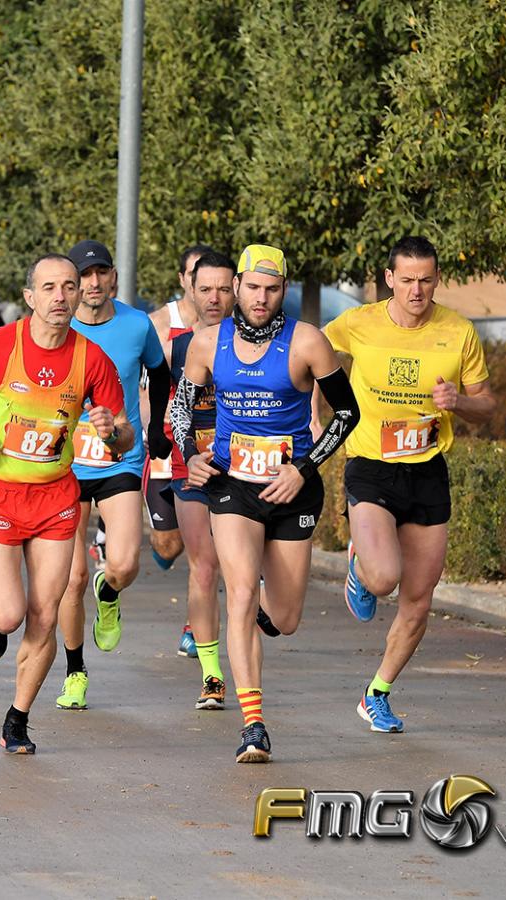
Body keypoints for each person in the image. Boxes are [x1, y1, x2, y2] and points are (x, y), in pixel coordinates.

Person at [175, 244, 359, 762]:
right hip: (232, 485)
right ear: (236, 287)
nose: (261, 298)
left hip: (292, 488)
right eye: (252, 287)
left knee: (284, 616)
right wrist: (190, 454)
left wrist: (303, 468)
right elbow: (182, 406)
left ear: (284, 291)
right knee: (238, 594)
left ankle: (257, 618)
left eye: (272, 289)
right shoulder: (207, 343)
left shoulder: (307, 342)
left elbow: (347, 414)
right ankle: (253, 726)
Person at [0, 253, 130, 753]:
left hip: (55, 498)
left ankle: (18, 717)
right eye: (49, 288)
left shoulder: (92, 359)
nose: (61, 297)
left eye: (69, 287)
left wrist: (114, 433)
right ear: (30, 298)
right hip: (0, 491)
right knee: (9, 615)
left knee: (44, 614)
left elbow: (124, 437)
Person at [324, 236, 495, 733]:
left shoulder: (458, 332)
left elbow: (487, 406)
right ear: (389, 279)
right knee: (384, 580)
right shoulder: (358, 322)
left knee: (419, 598)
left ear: (436, 280)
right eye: (407, 280)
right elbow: (308, 355)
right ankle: (360, 564)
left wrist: (458, 402)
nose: (416, 290)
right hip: (371, 464)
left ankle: (376, 693)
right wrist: (314, 418)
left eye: (426, 279)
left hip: (426, 470)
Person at [53, 239, 171, 711]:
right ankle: (75, 672)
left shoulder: (137, 325)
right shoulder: (58, 328)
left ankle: (111, 590)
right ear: (72, 284)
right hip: (64, 464)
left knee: (122, 564)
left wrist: (158, 430)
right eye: (85, 276)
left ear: (113, 277)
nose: (94, 283)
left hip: (119, 457)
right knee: (71, 577)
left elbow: (161, 377)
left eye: (102, 273)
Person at [157, 248, 228, 662]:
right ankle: (212, 674)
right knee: (200, 564)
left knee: (238, 570)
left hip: (247, 466)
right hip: (191, 465)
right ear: (191, 290)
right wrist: (159, 440)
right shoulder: (176, 346)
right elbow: (161, 402)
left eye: (222, 289)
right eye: (206, 290)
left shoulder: (258, 346)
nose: (214, 298)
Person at [145, 244, 212, 580]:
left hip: (216, 443)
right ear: (185, 279)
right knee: (167, 545)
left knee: (209, 548)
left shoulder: (230, 328)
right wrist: (151, 428)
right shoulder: (159, 324)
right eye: (196, 274)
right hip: (169, 441)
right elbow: (145, 390)